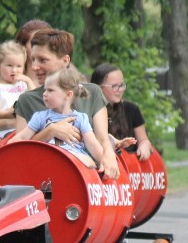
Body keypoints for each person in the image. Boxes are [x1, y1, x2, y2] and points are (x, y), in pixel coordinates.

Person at [12, 28, 120, 179]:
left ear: (65, 60)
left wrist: (108, 156)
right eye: (33, 59)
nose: (35, 66)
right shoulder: (26, 100)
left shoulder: (93, 93)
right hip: (41, 178)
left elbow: (101, 139)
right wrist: (51, 131)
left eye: (42, 60)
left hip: (86, 178)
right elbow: (18, 150)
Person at [11, 66, 104, 168]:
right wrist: (7, 147)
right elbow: (22, 137)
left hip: (75, 159)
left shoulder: (80, 118)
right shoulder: (40, 117)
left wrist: (104, 162)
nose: (44, 94)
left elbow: (92, 144)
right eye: (45, 90)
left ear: (68, 95)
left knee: (88, 161)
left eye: (50, 90)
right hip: (49, 157)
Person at [91, 63, 153, 161]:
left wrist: (144, 146)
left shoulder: (132, 109)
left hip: (130, 167)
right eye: (114, 86)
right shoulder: (88, 111)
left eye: (122, 85)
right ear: (97, 88)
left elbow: (144, 140)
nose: (120, 90)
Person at [15, 19, 52, 86]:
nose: (40, 47)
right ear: (22, 47)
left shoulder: (63, 82)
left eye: (44, 42)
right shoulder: (10, 81)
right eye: (34, 43)